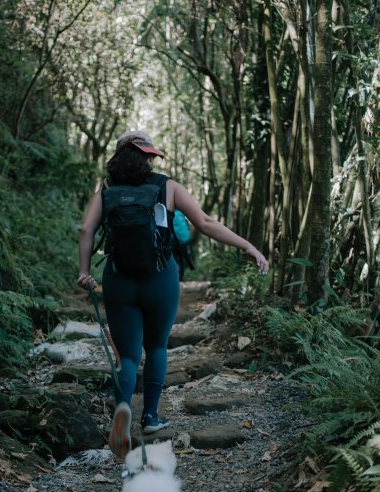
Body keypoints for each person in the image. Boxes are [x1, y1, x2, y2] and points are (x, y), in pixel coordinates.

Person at [77, 130, 269, 458]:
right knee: (156, 346)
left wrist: (83, 271)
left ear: (118, 156)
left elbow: (86, 230)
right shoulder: (168, 187)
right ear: (148, 157)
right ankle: (150, 416)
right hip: (160, 278)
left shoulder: (106, 190)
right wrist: (248, 246)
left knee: (128, 354)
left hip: (119, 279)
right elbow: (206, 223)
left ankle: (123, 407)